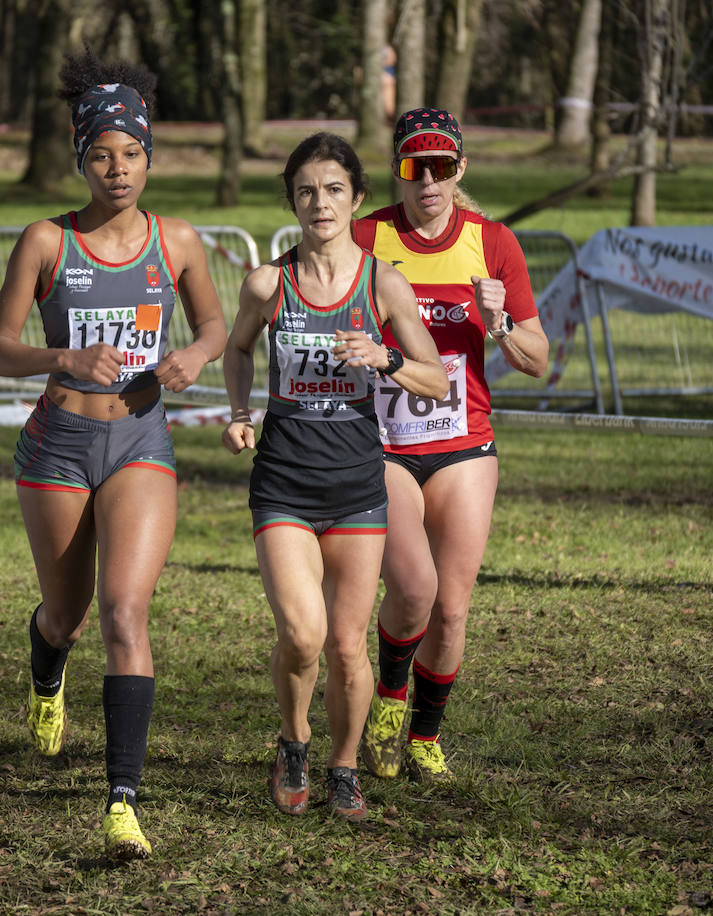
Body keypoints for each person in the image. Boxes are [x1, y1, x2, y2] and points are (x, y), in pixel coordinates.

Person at [0, 49, 227, 861]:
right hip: (57, 445)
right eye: (101, 156)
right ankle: (47, 672)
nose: (117, 170)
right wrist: (64, 359)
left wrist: (194, 358)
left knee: (127, 612)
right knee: (68, 615)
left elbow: (216, 329)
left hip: (140, 442)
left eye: (131, 155)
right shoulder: (47, 240)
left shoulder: (180, 242)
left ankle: (122, 799)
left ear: (149, 157)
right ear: (81, 159)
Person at [223, 132, 448, 822]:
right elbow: (236, 348)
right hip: (285, 481)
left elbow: (435, 380)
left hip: (356, 485)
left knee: (351, 646)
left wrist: (382, 359)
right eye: (306, 191)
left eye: (334, 190)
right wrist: (239, 409)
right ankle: (294, 743)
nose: (320, 203)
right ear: (292, 200)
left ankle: (343, 767)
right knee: (302, 634)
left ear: (357, 199)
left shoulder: (384, 283)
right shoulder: (269, 282)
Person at [353, 107, 549, 783]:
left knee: (453, 605)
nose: (428, 181)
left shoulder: (493, 242)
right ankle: (387, 701)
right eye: (415, 167)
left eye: (441, 167)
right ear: (399, 171)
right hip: (384, 443)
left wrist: (497, 325)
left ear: (459, 169)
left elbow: (537, 359)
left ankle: (425, 736)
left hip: (465, 442)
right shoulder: (365, 235)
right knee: (414, 589)